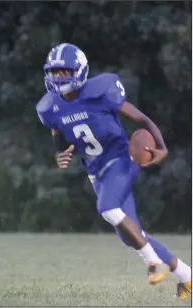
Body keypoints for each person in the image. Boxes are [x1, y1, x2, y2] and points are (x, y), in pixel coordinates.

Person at [36, 43, 191, 300]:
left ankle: (154, 263)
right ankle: (187, 277)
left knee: (107, 208)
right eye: (55, 72)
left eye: (65, 71)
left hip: (121, 159)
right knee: (131, 235)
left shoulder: (101, 91)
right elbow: (57, 134)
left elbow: (141, 119)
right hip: (96, 172)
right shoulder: (50, 107)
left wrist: (161, 147)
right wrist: (59, 153)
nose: (59, 77)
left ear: (79, 71)